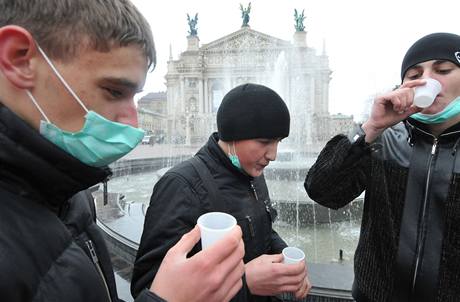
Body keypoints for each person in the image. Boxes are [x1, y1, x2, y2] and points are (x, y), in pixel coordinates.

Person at [0, 1, 245, 301]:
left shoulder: (70, 195)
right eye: (114, 91)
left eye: (135, 97)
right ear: (19, 59)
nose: (133, 122)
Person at [304, 32, 460, 301]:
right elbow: (322, 190)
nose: (427, 79)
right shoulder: (384, 140)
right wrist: (371, 128)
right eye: (413, 75)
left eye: (443, 69)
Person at [132, 83, 311, 301]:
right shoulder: (180, 185)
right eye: (264, 142)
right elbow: (148, 286)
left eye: (278, 142)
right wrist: (246, 283)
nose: (273, 155)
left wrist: (284, 259)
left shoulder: (252, 172)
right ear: (233, 135)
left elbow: (262, 229)